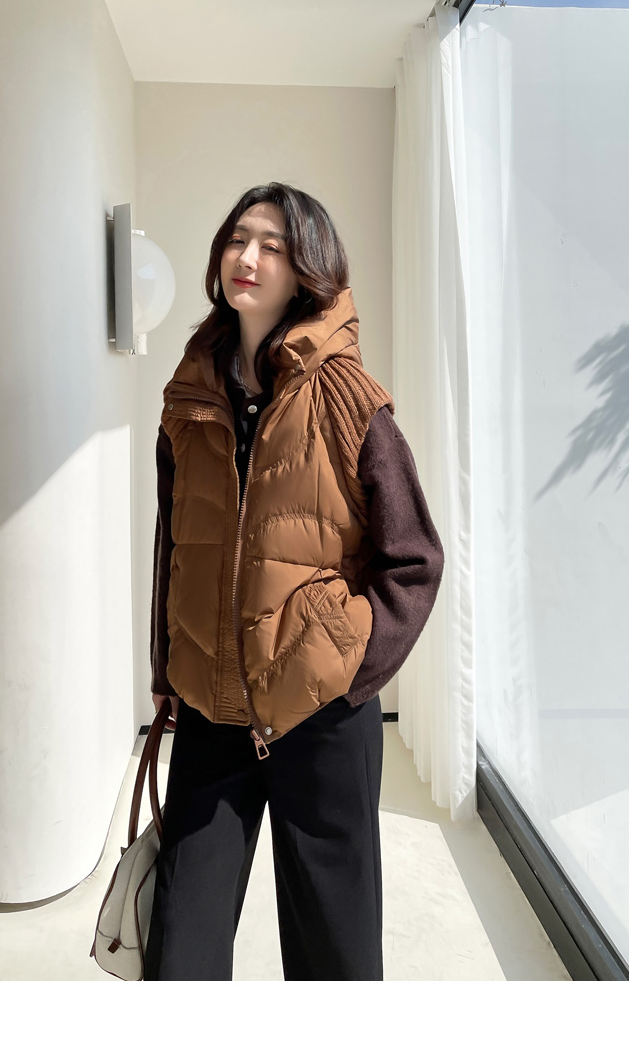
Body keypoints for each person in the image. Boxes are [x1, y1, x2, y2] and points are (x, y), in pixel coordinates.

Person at [144, 182, 444, 981]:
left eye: (272, 245)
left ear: (307, 267)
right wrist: (166, 670)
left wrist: (348, 669)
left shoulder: (348, 397)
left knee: (333, 957)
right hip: (210, 706)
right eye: (238, 238)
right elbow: (173, 545)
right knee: (180, 949)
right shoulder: (188, 395)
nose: (247, 257)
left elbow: (414, 557)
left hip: (320, 714)